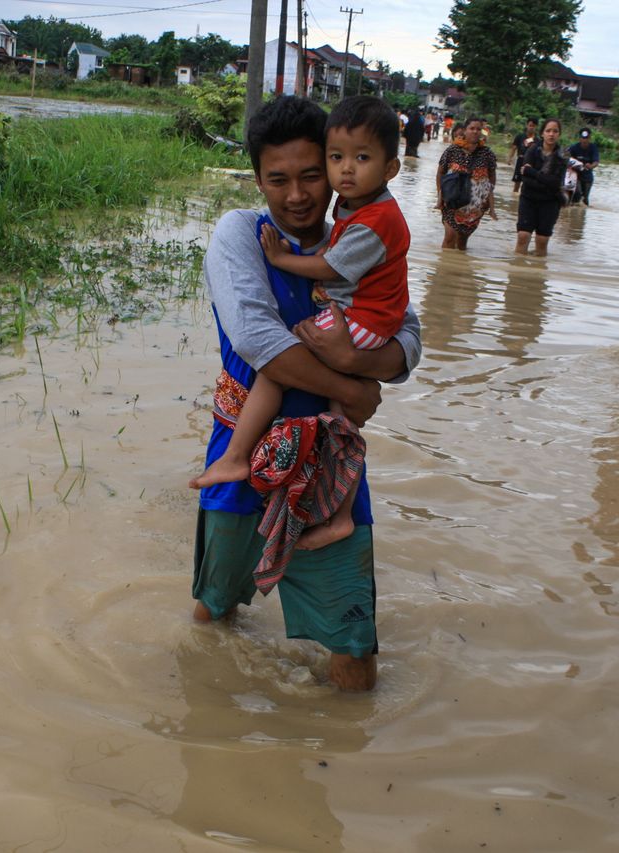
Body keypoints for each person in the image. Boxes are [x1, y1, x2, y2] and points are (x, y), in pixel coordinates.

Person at [189, 95, 422, 691]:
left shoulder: (356, 239)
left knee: (354, 658)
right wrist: (355, 386)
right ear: (258, 180)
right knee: (215, 613)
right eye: (278, 180)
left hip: (329, 462)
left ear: (336, 166)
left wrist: (371, 364)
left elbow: (409, 334)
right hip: (240, 454)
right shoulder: (241, 232)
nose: (296, 195)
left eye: (311, 175)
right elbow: (256, 337)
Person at [436, 117, 498, 251]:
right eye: (472, 128)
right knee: (450, 236)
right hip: (452, 200)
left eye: (478, 129)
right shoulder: (452, 150)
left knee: (462, 241)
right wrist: (440, 195)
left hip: (475, 205)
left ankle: (459, 269)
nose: (475, 132)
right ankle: (443, 269)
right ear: (464, 131)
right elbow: (441, 172)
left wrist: (488, 197)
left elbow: (492, 175)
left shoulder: (487, 154)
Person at [515, 117, 567, 256]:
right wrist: (544, 181)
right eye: (548, 131)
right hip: (528, 198)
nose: (551, 134)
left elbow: (555, 183)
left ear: (559, 134)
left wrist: (532, 172)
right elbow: (525, 178)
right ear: (542, 133)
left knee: (542, 240)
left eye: (555, 131)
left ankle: (537, 274)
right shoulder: (532, 150)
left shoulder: (562, 156)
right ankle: (516, 271)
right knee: (523, 237)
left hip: (550, 202)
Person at [567, 128, 599, 205]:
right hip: (576, 175)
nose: (584, 141)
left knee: (585, 199)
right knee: (577, 193)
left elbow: (596, 162)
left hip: (588, 177)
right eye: (583, 138)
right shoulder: (574, 147)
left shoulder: (593, 148)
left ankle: (583, 214)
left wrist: (591, 166)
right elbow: (566, 158)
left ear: (589, 138)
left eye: (586, 138)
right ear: (580, 138)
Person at [509, 117, 538, 193]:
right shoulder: (520, 136)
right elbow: (514, 148)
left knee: (528, 184)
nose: (531, 127)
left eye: (533, 126)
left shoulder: (537, 140)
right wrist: (510, 158)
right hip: (520, 161)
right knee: (517, 183)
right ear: (527, 125)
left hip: (531, 163)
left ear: (536, 127)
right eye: (530, 125)